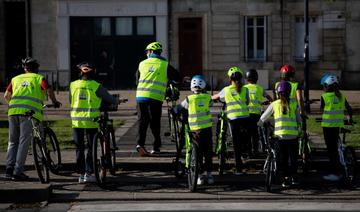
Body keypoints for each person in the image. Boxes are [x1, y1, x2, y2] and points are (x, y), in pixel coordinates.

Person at [3, 57, 61, 180]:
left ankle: (9, 169)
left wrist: (13, 104)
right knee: (24, 142)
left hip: (12, 112)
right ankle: (17, 172)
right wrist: (55, 101)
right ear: (36, 69)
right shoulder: (39, 78)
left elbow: (6, 95)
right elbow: (48, 89)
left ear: (25, 69)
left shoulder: (15, 79)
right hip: (29, 114)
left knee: (13, 141)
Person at [70, 61, 119, 183]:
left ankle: (81, 175)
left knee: (79, 148)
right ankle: (89, 172)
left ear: (80, 73)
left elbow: (71, 100)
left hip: (76, 121)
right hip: (91, 121)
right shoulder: (96, 86)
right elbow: (110, 98)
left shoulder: (73, 85)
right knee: (91, 148)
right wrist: (117, 101)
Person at [135, 41, 180, 156]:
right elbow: (177, 77)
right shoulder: (164, 65)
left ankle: (140, 144)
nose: (146, 54)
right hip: (155, 98)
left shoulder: (142, 64)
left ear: (151, 52)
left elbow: (136, 80)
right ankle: (156, 147)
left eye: (147, 52)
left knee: (142, 121)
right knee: (155, 123)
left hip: (141, 97)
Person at [258, 81, 301, 188]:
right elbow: (298, 120)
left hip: (280, 137)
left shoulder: (274, 104)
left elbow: (263, 118)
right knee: (293, 157)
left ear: (278, 93)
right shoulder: (294, 104)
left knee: (283, 158)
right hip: (293, 136)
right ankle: (294, 176)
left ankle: (286, 179)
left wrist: (259, 124)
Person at [212, 67, 250, 175]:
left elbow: (215, 97)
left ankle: (238, 169)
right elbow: (247, 102)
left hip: (233, 119)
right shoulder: (245, 89)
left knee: (236, 144)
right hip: (245, 118)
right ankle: (246, 155)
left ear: (230, 79)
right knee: (243, 141)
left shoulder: (226, 90)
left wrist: (211, 97)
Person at [178, 75, 214, 185]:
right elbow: (211, 103)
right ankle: (209, 174)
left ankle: (200, 176)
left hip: (194, 131)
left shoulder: (189, 99)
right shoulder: (207, 97)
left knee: (197, 153)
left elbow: (180, 108)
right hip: (207, 130)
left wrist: (174, 111)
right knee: (208, 152)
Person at [320, 74, 353, 182]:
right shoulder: (341, 96)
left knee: (331, 150)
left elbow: (321, 110)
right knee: (336, 147)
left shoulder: (324, 97)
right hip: (338, 125)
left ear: (327, 86)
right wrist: (349, 118)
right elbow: (349, 109)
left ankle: (335, 172)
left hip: (328, 127)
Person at [244, 69, 273, 156]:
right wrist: (272, 102)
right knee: (255, 133)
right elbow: (269, 97)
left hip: (246, 114)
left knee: (247, 133)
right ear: (256, 78)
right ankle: (255, 150)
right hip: (256, 114)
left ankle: (248, 151)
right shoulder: (260, 88)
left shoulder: (244, 88)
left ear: (247, 78)